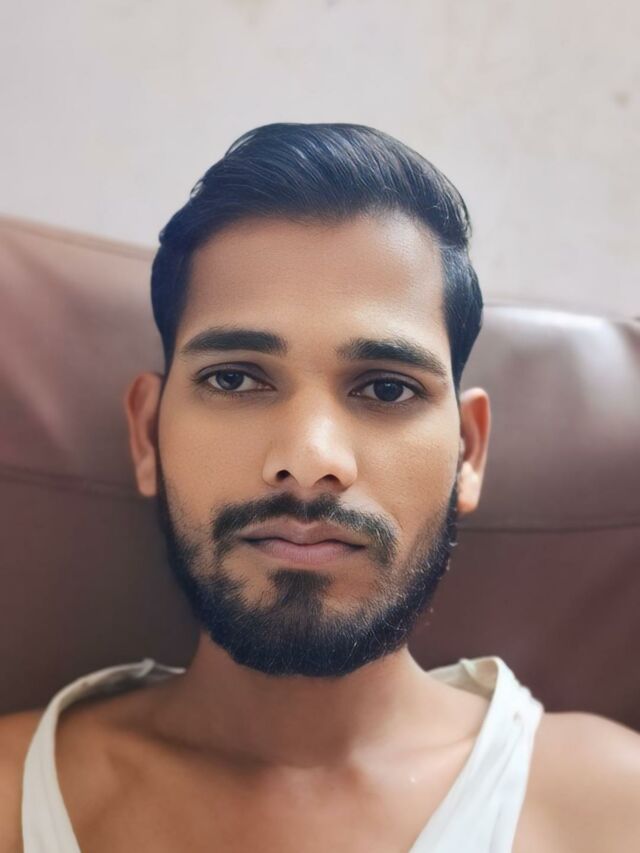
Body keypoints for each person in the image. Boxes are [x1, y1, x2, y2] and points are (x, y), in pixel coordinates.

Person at [1, 122, 639, 852]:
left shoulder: (610, 809)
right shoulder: (15, 795)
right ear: (147, 434)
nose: (309, 460)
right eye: (234, 379)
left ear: (469, 451)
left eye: (387, 388)